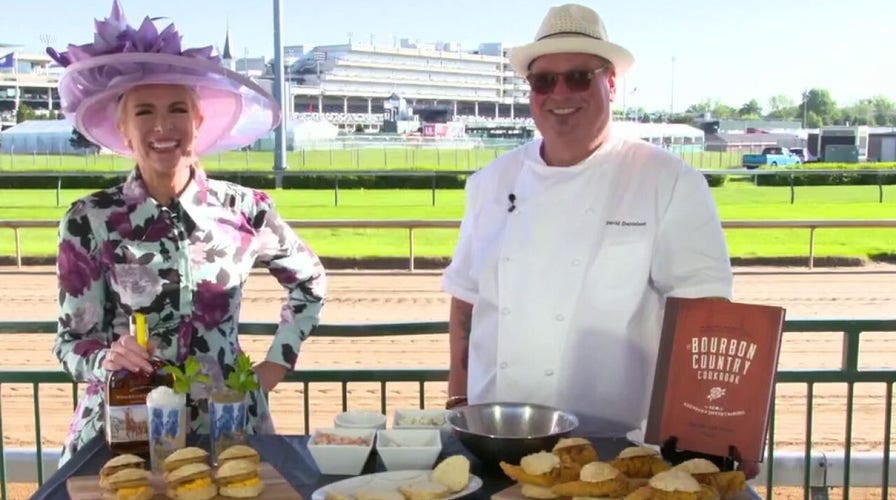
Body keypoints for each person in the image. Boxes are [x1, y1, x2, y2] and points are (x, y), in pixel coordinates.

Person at [442, 2, 758, 479]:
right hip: (497, 442)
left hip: (618, 449)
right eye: (543, 81)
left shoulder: (667, 181)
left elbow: (704, 314)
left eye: (578, 77)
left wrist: (716, 430)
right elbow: (466, 302)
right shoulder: (490, 182)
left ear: (610, 84)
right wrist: (459, 403)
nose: (559, 93)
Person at [49, 1, 326, 466]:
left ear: (198, 123)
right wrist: (107, 360)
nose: (162, 126)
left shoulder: (247, 210)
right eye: (144, 112)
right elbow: (71, 342)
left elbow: (310, 282)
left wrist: (275, 365)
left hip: (227, 430)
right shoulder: (89, 220)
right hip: (126, 432)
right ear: (123, 127)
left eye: (178, 109)